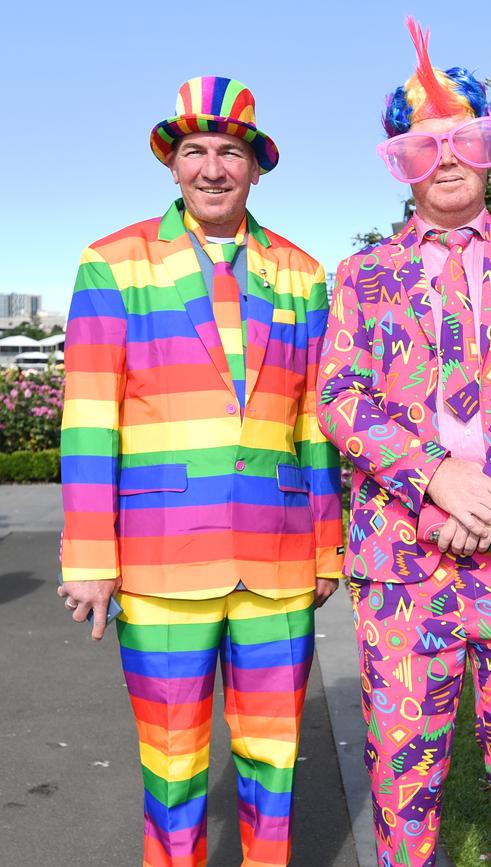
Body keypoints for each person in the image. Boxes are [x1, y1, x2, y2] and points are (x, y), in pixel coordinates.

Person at [317, 19, 491, 867]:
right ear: (401, 159)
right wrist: (438, 478)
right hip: (407, 563)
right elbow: (339, 394)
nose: (444, 158)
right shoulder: (363, 274)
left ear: (488, 148)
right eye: (422, 143)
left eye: (462, 138)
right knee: (403, 793)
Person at [58, 75, 343, 867]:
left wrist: (328, 546)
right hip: (157, 562)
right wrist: (88, 560)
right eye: (195, 152)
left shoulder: (302, 271)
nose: (212, 168)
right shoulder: (112, 262)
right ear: (172, 166)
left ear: (256, 167)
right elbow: (88, 418)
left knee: (273, 757)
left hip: (280, 561)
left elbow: (315, 421)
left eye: (229, 151)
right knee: (172, 763)